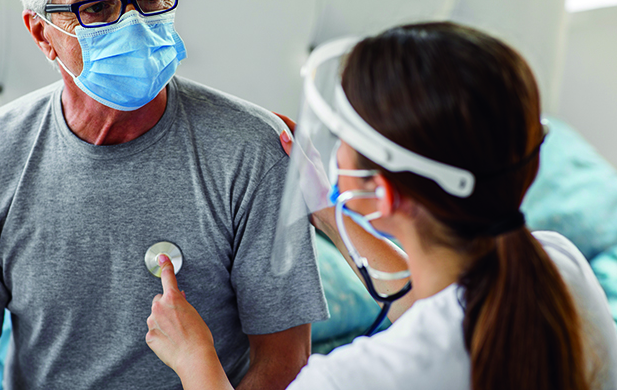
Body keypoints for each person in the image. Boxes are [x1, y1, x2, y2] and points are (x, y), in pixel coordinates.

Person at [0, 0, 327, 389]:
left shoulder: (254, 151)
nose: (132, 23)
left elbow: (285, 361)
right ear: (43, 35)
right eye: (99, 6)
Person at [145, 22, 617, 390]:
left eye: (346, 136)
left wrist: (196, 359)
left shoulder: (356, 376)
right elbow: (437, 306)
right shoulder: (558, 266)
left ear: (384, 196)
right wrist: (329, 210)